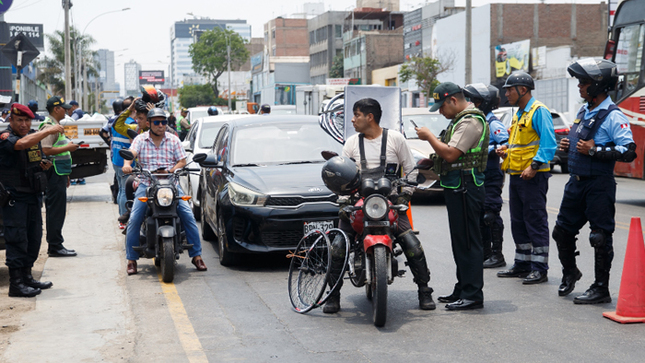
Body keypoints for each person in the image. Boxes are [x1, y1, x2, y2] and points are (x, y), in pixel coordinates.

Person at [321, 97, 435, 314]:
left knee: (412, 244)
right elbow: (342, 175)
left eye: (356, 115)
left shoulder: (396, 139)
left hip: (390, 204)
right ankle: (333, 295)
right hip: (357, 204)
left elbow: (411, 170)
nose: (353, 120)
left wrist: (404, 197)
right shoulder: (352, 143)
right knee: (337, 246)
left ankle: (424, 290)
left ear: (369, 117)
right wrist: (344, 201)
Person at [553, 59, 636, 304]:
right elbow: (581, 142)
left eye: (585, 82)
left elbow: (629, 151)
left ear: (599, 85)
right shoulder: (584, 110)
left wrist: (595, 150)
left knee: (599, 237)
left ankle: (601, 288)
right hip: (575, 183)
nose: (580, 86)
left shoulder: (614, 116)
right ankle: (571, 273)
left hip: (599, 185)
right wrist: (568, 145)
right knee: (561, 233)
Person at [416, 82, 488, 310]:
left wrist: (428, 136)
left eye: (441, 106)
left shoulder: (470, 121)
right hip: (457, 186)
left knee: (468, 242)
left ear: (453, 101)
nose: (440, 111)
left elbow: (450, 154)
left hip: (466, 186)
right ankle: (463, 288)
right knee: (460, 242)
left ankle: (473, 294)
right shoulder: (458, 121)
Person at [121, 108, 207, 275]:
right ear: (149, 124)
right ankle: (131, 259)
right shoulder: (140, 139)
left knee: (188, 215)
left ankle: (196, 256)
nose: (161, 125)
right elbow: (131, 153)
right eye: (157, 122)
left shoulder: (174, 140)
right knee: (134, 218)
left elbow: (182, 161)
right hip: (147, 184)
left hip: (172, 185)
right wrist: (127, 164)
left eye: (163, 122)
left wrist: (173, 170)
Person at [496, 71, 556, 284]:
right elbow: (520, 144)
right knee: (518, 221)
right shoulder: (519, 113)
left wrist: (534, 166)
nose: (507, 93)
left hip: (533, 176)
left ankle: (539, 268)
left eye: (510, 89)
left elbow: (549, 144)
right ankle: (522, 263)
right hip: (516, 175)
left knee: (535, 220)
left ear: (523, 90)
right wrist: (506, 150)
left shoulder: (539, 111)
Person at [1, 103, 64, 297]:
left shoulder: (32, 138)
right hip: (14, 198)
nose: (24, 124)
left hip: (32, 196)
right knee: (17, 239)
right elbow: (20, 145)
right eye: (19, 120)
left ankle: (27, 277)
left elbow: (34, 160)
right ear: (10, 120)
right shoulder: (6, 137)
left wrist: (42, 165)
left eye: (27, 120)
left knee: (33, 238)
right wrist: (49, 131)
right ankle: (16, 284)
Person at [463, 84, 509, 268]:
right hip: (478, 175)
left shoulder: (493, 123)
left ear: (483, 102)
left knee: (490, 214)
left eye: (473, 100)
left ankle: (498, 255)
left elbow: (505, 144)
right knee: (480, 214)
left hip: (491, 174)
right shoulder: (477, 120)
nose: (469, 103)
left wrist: (490, 150)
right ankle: (485, 252)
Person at [39, 96, 80, 257]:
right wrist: (69, 147)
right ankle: (55, 246)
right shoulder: (49, 126)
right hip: (53, 173)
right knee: (55, 210)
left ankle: (56, 244)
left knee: (58, 210)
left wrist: (66, 175)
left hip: (59, 173)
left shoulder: (56, 126)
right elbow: (46, 150)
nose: (67, 110)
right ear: (56, 109)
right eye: (64, 107)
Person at [109, 98, 137, 229]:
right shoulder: (131, 124)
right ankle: (125, 218)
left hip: (116, 159)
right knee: (126, 190)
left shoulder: (115, 122)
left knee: (121, 189)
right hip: (126, 161)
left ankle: (121, 218)